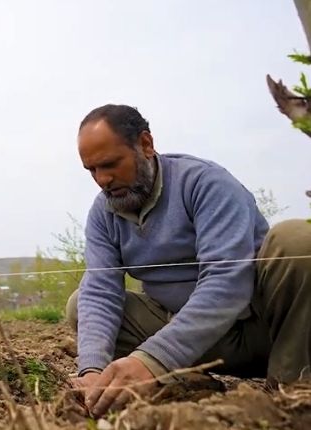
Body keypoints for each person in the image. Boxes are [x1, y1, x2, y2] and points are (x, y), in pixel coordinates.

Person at [65, 104, 311, 417]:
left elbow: (227, 283)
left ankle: (292, 390)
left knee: (298, 239)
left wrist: (152, 358)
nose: (102, 180)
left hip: (258, 328)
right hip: (188, 336)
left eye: (111, 164)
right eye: (92, 170)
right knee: (81, 303)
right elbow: (100, 291)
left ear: (145, 145)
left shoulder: (204, 184)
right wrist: (92, 371)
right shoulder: (104, 213)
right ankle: (185, 379)